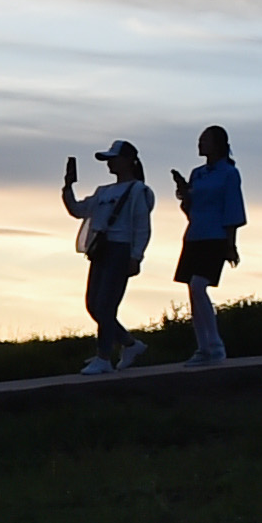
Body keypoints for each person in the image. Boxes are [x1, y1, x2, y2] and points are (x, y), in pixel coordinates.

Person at [61, 141, 155, 374]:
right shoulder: (103, 191)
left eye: (113, 158)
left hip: (120, 249)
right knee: (93, 304)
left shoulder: (138, 191)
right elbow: (78, 210)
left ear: (127, 161)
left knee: (106, 305)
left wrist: (136, 256)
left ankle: (103, 357)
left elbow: (142, 226)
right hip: (101, 249)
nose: (110, 163)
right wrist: (68, 187)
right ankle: (130, 344)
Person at [171, 126, 246, 362]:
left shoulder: (229, 173)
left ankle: (214, 346)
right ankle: (203, 347)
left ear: (218, 144)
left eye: (205, 141)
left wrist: (231, 244)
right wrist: (185, 194)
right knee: (192, 291)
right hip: (194, 235)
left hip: (215, 237)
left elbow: (232, 208)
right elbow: (191, 210)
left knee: (198, 285)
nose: (200, 145)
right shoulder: (198, 173)